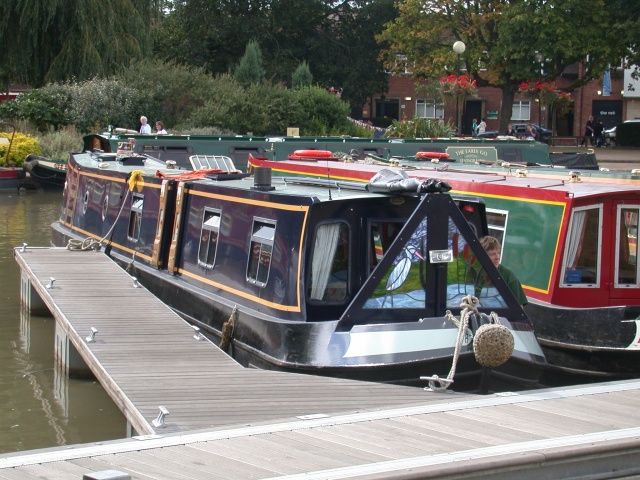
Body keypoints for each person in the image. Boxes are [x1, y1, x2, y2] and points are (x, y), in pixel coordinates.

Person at [478, 235, 527, 306]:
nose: (497, 257)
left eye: (498, 253)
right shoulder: (472, 274)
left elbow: (519, 309)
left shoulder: (509, 277)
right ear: (482, 256)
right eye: (492, 254)